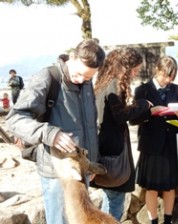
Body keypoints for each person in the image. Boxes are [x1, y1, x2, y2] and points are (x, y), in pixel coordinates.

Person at [6, 39, 105, 224]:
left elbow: (90, 124)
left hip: (81, 171)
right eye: (78, 74)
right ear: (72, 57)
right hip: (57, 172)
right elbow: (15, 118)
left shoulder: (86, 82)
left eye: (88, 78)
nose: (81, 80)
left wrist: (91, 162)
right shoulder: (48, 77)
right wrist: (50, 133)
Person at [93, 47, 154, 221]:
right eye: (134, 70)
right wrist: (143, 104)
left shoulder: (103, 82)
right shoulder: (113, 85)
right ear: (126, 67)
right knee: (115, 202)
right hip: (113, 152)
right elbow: (121, 116)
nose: (135, 74)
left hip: (105, 148)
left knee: (110, 197)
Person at [130, 56, 178, 224]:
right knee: (151, 187)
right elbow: (133, 119)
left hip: (171, 144)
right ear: (158, 71)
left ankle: (168, 220)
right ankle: (153, 221)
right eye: (166, 76)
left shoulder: (176, 90)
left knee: (170, 186)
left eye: (171, 77)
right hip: (151, 145)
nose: (168, 80)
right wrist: (151, 111)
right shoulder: (142, 90)